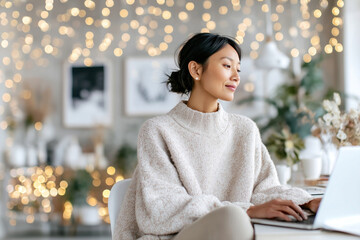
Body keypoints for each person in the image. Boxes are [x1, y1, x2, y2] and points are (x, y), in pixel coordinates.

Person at [114, 33, 321, 240]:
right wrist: (245, 211)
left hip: (233, 232)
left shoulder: (245, 130)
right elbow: (162, 209)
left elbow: (266, 190)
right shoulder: (158, 130)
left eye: (238, 69)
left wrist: (306, 202)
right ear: (196, 69)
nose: (236, 76)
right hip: (175, 236)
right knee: (233, 218)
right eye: (227, 66)